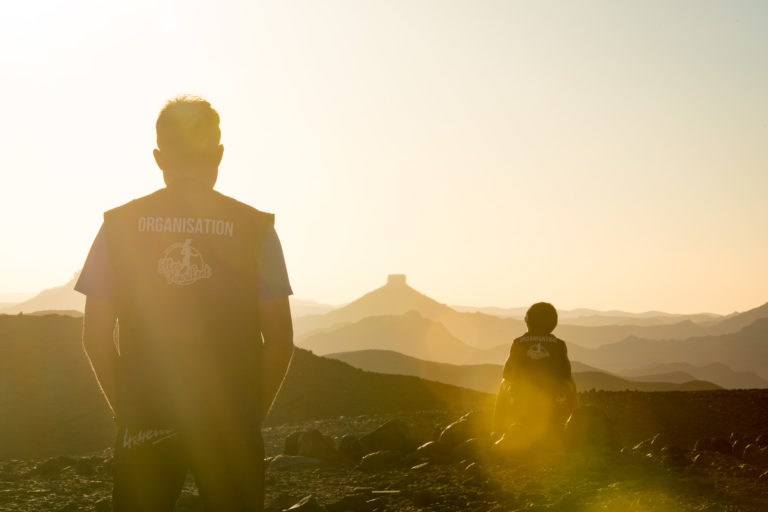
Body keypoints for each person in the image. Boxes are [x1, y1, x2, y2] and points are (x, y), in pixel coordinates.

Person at [76, 95, 295, 512]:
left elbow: (95, 338)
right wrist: (249, 417)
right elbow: (281, 341)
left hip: (145, 419)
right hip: (230, 424)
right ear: (219, 154)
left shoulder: (117, 227)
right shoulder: (256, 229)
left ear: (158, 157)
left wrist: (127, 411)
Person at [492, 302, 576, 445]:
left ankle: (497, 429)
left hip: (521, 396)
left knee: (503, 384)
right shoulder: (559, 344)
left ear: (528, 321)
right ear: (553, 323)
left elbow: (507, 373)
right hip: (552, 397)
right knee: (571, 382)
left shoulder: (518, 342)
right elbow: (566, 373)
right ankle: (573, 424)